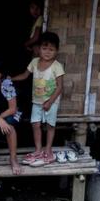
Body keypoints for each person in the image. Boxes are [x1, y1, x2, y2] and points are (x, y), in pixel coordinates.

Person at [12, 31, 65, 166]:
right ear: (39, 49)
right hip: (37, 101)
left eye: (51, 49)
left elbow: (59, 87)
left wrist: (50, 101)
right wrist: (11, 78)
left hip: (51, 102)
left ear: (56, 51)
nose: (47, 52)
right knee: (35, 124)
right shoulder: (35, 62)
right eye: (44, 48)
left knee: (50, 125)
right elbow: (25, 75)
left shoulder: (57, 66)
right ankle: (38, 150)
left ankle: (48, 149)